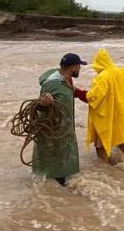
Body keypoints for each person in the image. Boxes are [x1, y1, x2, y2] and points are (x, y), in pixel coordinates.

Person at [36, 53, 89, 186]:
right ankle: (57, 193)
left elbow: (70, 90)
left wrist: (86, 95)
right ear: (73, 67)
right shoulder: (52, 84)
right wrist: (44, 104)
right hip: (54, 129)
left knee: (64, 159)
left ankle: (60, 191)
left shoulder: (66, 78)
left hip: (65, 127)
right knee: (56, 164)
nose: (80, 69)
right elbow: (38, 107)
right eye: (79, 66)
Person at [85, 48, 124, 164]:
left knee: (101, 145)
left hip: (105, 116)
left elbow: (94, 97)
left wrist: (79, 93)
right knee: (121, 139)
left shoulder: (102, 77)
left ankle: (105, 170)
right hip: (121, 113)